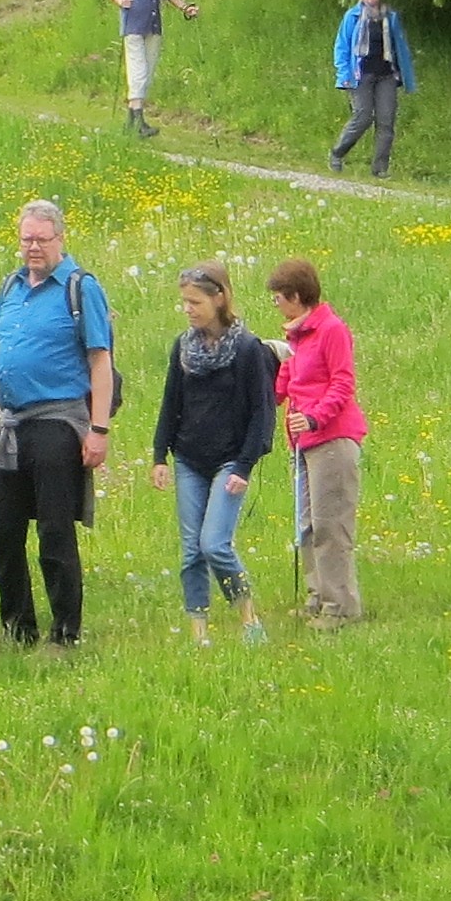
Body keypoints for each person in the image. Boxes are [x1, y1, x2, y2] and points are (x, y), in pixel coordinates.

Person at [0, 199, 116, 648]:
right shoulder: (11, 286)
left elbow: (100, 360)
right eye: (26, 239)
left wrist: (98, 430)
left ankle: (65, 634)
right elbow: (0, 353)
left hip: (57, 424)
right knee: (2, 532)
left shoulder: (79, 288)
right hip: (10, 427)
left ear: (60, 239)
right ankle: (19, 631)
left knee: (55, 532)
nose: (33, 247)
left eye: (41, 239)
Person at [148, 263, 277, 644]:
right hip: (189, 458)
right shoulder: (183, 347)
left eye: (195, 301)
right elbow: (171, 402)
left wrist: (245, 464)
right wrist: (160, 456)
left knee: (214, 544)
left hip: (230, 462)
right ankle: (199, 632)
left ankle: (249, 618)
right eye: (184, 302)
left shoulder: (248, 349)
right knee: (191, 551)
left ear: (219, 298)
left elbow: (262, 412)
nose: (188, 309)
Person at [266, 259, 365, 624]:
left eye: (278, 298)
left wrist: (314, 416)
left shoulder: (331, 330)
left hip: (333, 439)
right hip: (303, 443)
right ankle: (318, 594)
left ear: (295, 296)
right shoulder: (298, 337)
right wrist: (261, 403)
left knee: (330, 525)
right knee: (306, 525)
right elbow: (285, 382)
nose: (276, 304)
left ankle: (340, 607)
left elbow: (343, 383)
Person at [111, 0, 197, 138]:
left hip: (153, 23)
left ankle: (130, 123)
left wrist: (185, 8)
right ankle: (139, 123)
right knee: (138, 72)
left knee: (147, 74)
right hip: (133, 23)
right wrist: (122, 1)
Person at [330, 0, 416, 178]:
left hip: (386, 75)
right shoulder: (353, 16)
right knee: (363, 116)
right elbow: (341, 47)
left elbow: (400, 48)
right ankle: (337, 153)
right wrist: (344, 74)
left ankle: (380, 169)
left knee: (386, 121)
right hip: (360, 74)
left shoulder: (391, 17)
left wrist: (406, 76)